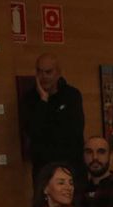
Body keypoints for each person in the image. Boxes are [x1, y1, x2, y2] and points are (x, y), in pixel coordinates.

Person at [24, 53, 85, 183]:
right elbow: (33, 132)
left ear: (58, 73)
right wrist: (43, 101)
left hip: (71, 166)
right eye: (40, 72)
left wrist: (49, 129)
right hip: (44, 168)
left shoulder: (72, 96)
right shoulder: (30, 99)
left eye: (48, 72)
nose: (44, 77)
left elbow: (74, 131)